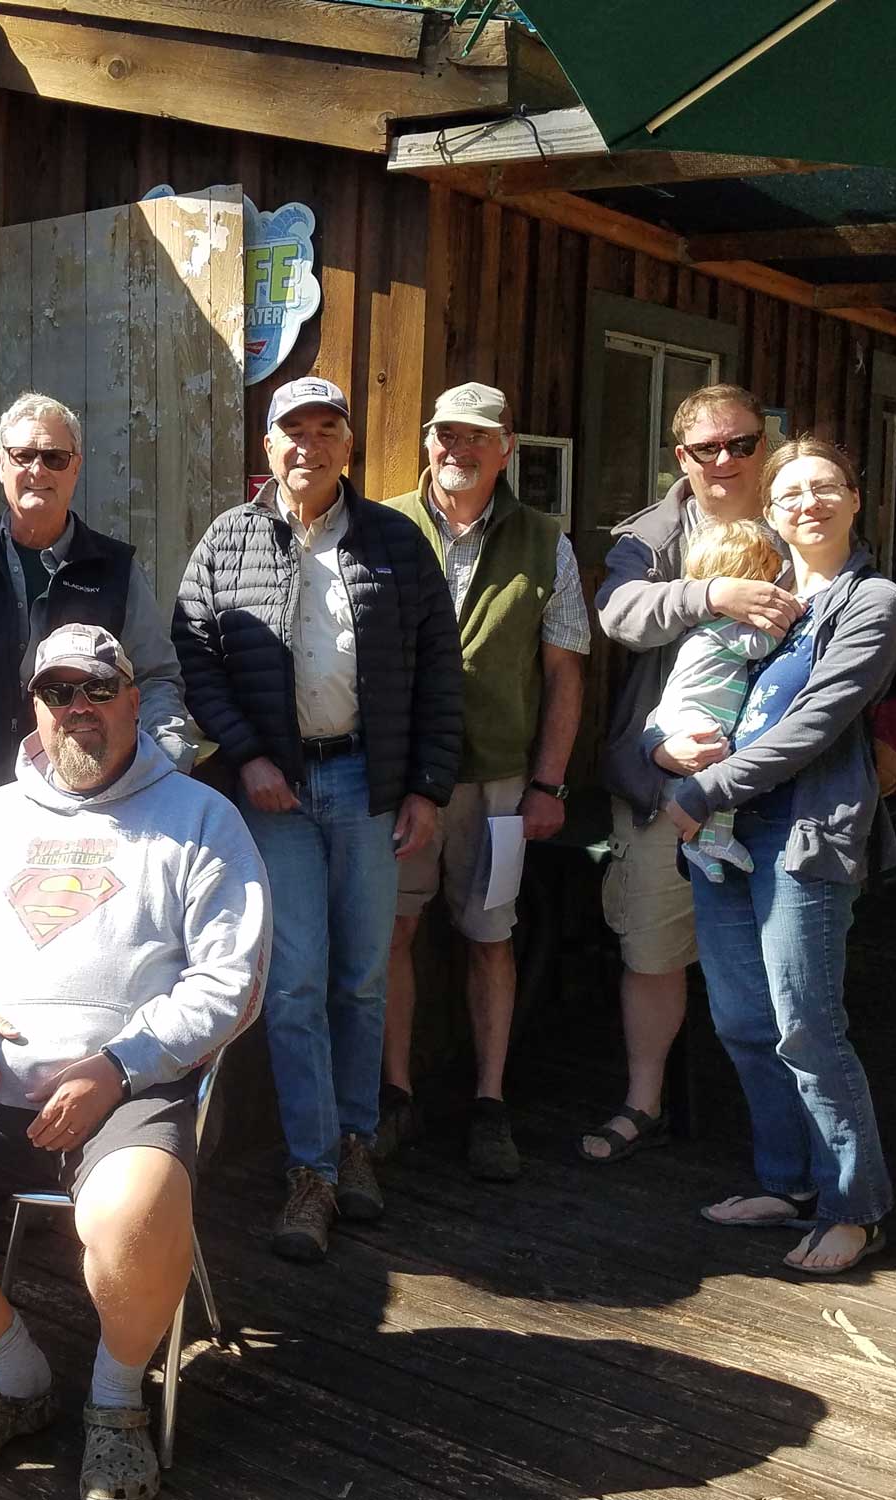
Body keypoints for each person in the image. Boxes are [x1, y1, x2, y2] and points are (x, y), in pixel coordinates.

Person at [0, 623, 268, 1500]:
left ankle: (115, 1400)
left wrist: (119, 1063)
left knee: (137, 1211)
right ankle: (12, 1373)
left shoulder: (200, 818)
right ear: (35, 712)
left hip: (129, 1082)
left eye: (97, 689)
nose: (78, 708)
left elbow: (234, 980)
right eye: (57, 692)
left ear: (133, 702)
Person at [173, 375, 462, 1263]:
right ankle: (311, 1172)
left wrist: (426, 786)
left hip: (367, 789)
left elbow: (439, 671)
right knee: (295, 984)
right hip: (280, 795)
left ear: (348, 444)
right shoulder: (226, 541)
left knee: (363, 977)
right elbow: (197, 657)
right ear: (268, 448)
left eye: (326, 428)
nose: (309, 444)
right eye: (291, 430)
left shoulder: (398, 543)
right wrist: (248, 757)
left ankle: (355, 1146)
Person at [662, 435, 896, 1275]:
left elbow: (816, 725)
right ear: (772, 511)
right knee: (742, 1021)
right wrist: (667, 752)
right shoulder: (762, 601)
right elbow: (697, 685)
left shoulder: (872, 602)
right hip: (726, 844)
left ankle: (855, 1205)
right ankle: (789, 1181)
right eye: (792, 492)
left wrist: (702, 790)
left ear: (854, 499)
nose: (809, 503)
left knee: (807, 1024)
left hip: (803, 834)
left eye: (825, 487)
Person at [581, 384, 799, 1165]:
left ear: (765, 445)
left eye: (742, 443)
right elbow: (618, 614)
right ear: (683, 457)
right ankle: (646, 1101)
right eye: (708, 448)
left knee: (781, 964)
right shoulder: (651, 536)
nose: (727, 461)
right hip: (662, 782)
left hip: (779, 793)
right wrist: (714, 594)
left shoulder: (800, 516)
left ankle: (778, 1124)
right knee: (653, 948)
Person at [382, 382, 588, 1182]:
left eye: (477, 436)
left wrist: (550, 783)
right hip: (400, 782)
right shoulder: (384, 525)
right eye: (445, 435)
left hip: (501, 782)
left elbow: (565, 675)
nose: (457, 449)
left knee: (489, 940)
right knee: (392, 933)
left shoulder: (547, 541)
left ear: (507, 447)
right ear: (427, 442)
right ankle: (396, 1096)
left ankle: (489, 1103)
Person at [0, 391, 196, 879]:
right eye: (23, 455)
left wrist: (166, 773)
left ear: (75, 469)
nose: (37, 470)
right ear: (1, 464)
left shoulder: (114, 568)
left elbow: (156, 679)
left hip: (81, 811)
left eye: (54, 457)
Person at [642, 521, 786, 882]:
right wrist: (792, 613)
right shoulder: (726, 626)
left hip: (684, 712)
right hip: (694, 714)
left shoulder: (707, 626)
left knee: (715, 765)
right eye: (768, 580)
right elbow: (761, 645)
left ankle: (701, 843)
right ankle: (712, 837)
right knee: (721, 764)